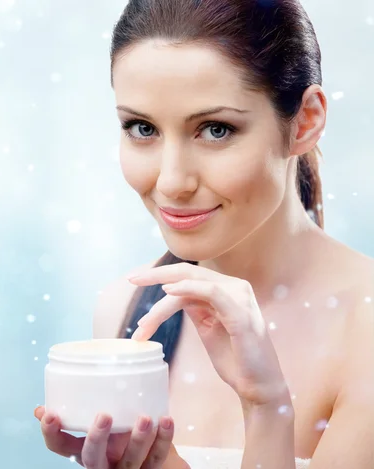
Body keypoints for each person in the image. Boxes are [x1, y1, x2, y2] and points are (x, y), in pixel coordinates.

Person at [34, 0, 374, 467]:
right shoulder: (127, 314)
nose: (172, 180)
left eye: (216, 130)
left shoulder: (366, 330)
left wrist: (267, 408)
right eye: (142, 128)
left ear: (305, 121)